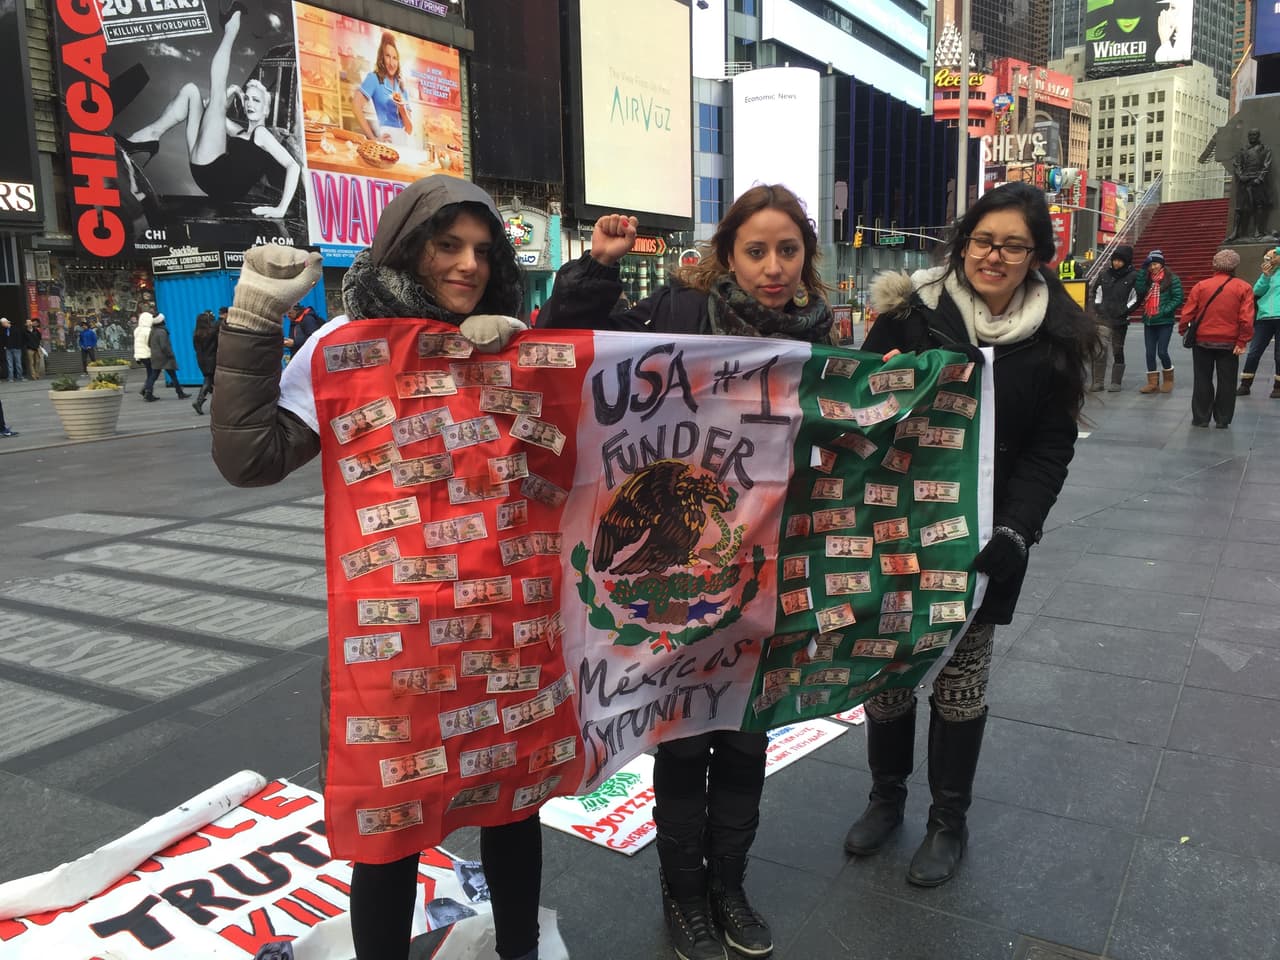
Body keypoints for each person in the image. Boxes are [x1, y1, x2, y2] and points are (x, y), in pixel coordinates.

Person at [210, 176, 534, 960]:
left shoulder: (511, 344)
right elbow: (250, 457)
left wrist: (520, 362)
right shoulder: (344, 348)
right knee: (390, 831)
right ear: (403, 244)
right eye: (447, 245)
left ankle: (520, 951)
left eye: (483, 252)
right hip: (393, 647)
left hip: (501, 634)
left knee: (512, 810)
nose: (468, 266)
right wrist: (253, 323)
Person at [540, 183, 839, 960]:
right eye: (756, 250)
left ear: (806, 258)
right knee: (683, 735)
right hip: (680, 584)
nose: (772, 267)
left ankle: (730, 886)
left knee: (745, 736)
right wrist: (596, 270)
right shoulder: (679, 314)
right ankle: (683, 895)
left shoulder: (823, 335)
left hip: (770, 570)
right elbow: (563, 345)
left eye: (787, 250)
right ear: (727, 256)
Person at [855, 182, 1093, 888]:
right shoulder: (911, 314)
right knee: (889, 674)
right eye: (984, 240)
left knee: (960, 683)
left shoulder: (1058, 334)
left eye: (1013, 245)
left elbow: (1052, 447)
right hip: (898, 532)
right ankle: (885, 799)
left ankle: (947, 821)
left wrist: (1018, 530)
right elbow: (860, 407)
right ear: (962, 245)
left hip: (988, 542)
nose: (996, 255)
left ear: (1037, 256)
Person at [115, 5, 300, 220]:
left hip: (217, 177)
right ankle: (150, 138)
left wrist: (281, 208)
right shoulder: (240, 131)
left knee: (217, 88)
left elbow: (293, 166)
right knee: (191, 91)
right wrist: (228, 96)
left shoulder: (262, 135)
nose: (249, 103)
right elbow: (209, 109)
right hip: (209, 173)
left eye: (256, 100)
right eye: (247, 98)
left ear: (266, 108)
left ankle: (232, 27)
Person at [1179, 249, 1254, 428]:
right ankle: (1223, 419)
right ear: (1235, 266)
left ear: (1214, 265)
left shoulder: (1201, 286)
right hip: (1229, 342)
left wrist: (1184, 330)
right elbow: (1246, 318)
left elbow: (1188, 312)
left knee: (1202, 379)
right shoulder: (1244, 287)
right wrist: (1242, 340)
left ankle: (1201, 417)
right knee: (1227, 382)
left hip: (1202, 340)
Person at [1133, 250, 1183, 394]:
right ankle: (1152, 383)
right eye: (1150, 265)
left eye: (1155, 264)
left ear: (1161, 264)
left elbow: (1178, 298)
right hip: (1149, 320)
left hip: (1164, 321)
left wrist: (1165, 310)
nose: (1152, 267)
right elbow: (1139, 289)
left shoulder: (1172, 279)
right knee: (1149, 353)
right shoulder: (1148, 279)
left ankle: (1168, 379)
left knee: (1162, 351)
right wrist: (1142, 271)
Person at [1089, 244, 1138, 391]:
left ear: (1126, 261)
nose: (1116, 263)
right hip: (1103, 318)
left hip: (1120, 320)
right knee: (1099, 349)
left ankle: (1116, 382)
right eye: (1114, 260)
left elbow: (1136, 297)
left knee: (1118, 350)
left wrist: (1125, 310)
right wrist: (1098, 307)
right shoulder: (1104, 275)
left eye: (1120, 261)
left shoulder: (1133, 276)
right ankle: (1098, 381)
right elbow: (1096, 293)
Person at [353, 30, 414, 145]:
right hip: (386, 139)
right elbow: (356, 106)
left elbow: (410, 130)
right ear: (382, 58)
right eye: (388, 56)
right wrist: (372, 138)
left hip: (404, 141)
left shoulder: (401, 85)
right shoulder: (374, 78)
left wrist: (402, 109)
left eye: (395, 58)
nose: (392, 63)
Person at [1238, 246, 1280, 397]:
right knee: (1254, 352)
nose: (1270, 260)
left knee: (1279, 354)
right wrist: (1266, 276)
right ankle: (1245, 384)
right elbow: (1256, 291)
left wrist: (1277, 252)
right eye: (1267, 258)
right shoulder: (1268, 274)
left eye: (1273, 257)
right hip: (1264, 317)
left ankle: (1278, 386)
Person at [145, 313, 190, 401]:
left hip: (155, 356)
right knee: (173, 375)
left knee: (153, 376)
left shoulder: (153, 331)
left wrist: (155, 351)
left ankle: (148, 393)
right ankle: (180, 393)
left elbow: (148, 343)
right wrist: (170, 354)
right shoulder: (162, 332)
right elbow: (164, 346)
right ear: (161, 321)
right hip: (164, 357)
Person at [192, 310, 218, 414]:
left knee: (210, 380)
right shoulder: (211, 333)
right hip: (211, 359)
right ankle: (199, 401)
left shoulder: (196, 334)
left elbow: (195, 348)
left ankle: (213, 403)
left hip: (201, 360)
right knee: (209, 380)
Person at [134, 311, 156, 397]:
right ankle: (148, 391)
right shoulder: (149, 330)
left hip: (140, 355)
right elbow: (150, 344)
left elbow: (136, 344)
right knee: (152, 374)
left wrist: (137, 357)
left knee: (150, 373)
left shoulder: (137, 330)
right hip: (147, 354)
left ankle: (145, 389)